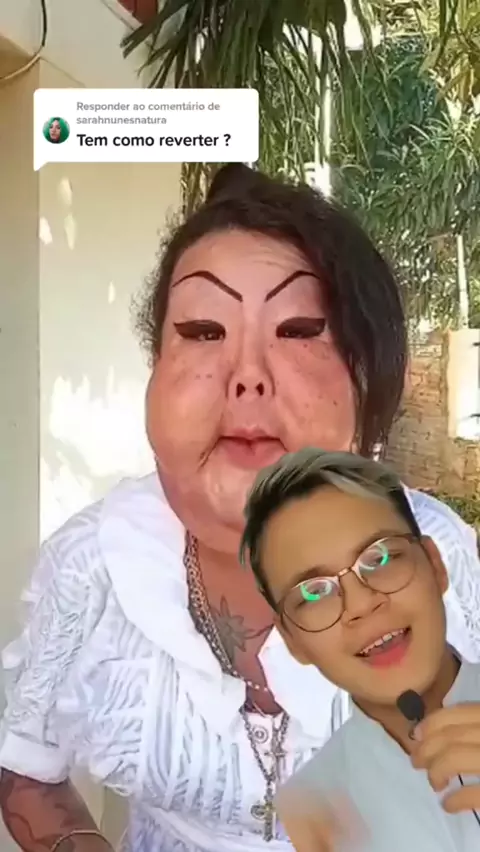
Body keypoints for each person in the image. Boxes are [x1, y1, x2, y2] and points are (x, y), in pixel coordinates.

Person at [0, 164, 479, 852]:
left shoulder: (439, 558)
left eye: (298, 329)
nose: (247, 375)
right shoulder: (92, 568)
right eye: (202, 331)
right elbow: (28, 769)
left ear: (368, 376)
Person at [239, 448, 480, 851]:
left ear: (435, 565)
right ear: (293, 640)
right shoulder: (312, 805)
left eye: (380, 557)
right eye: (313, 593)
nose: (362, 604)